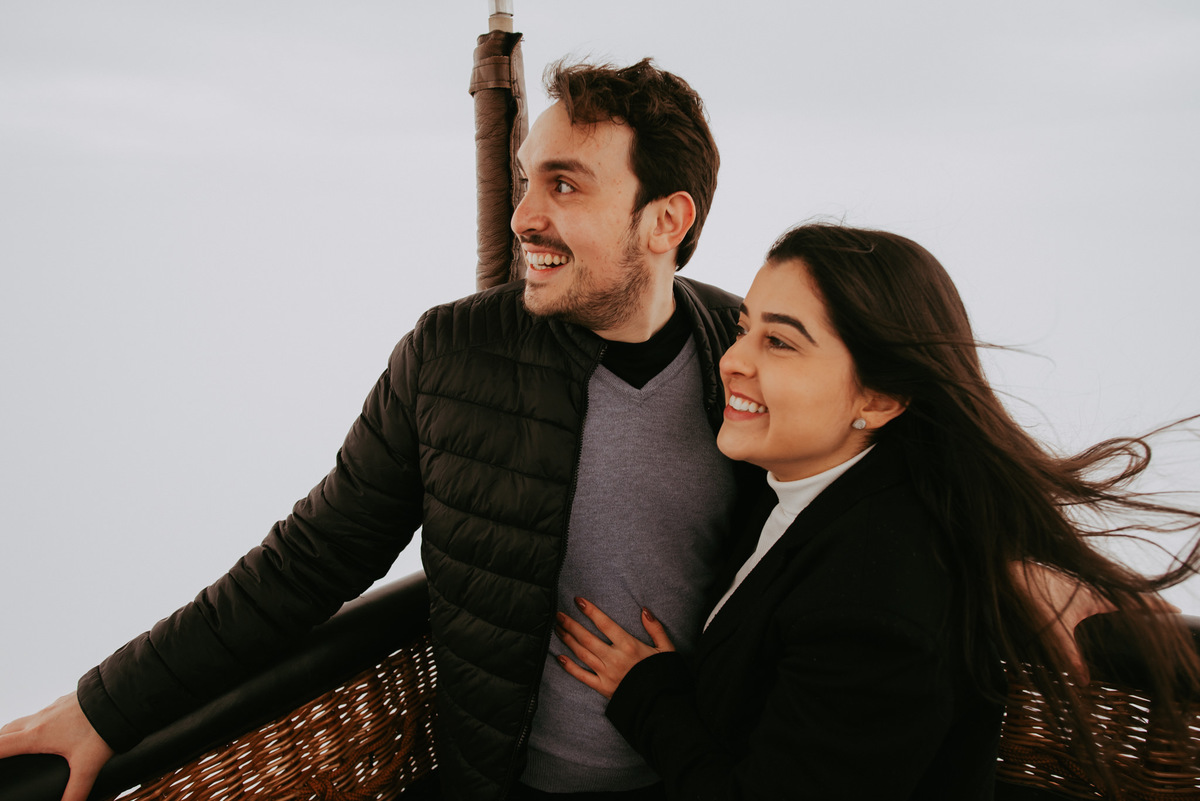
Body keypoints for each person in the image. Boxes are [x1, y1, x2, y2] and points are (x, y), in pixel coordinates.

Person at [0, 62, 1121, 801]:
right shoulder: (451, 358)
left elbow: (902, 456)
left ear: (664, 219)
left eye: (568, 186)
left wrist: (1030, 567)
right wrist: (106, 703)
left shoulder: (746, 358)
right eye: (525, 178)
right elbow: (309, 563)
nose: (528, 214)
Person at [554, 223, 1200, 799]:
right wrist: (1011, 563)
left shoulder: (877, 600)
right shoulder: (807, 481)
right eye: (745, 325)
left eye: (780, 342)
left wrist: (651, 692)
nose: (733, 360)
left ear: (883, 397)